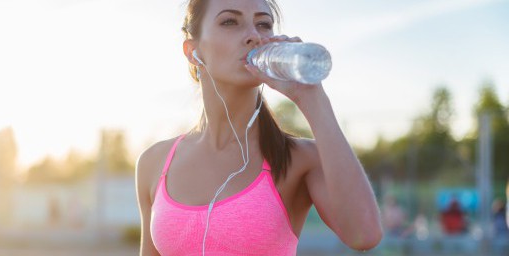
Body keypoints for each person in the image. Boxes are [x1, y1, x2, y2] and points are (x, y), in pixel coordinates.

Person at [135, 0, 383, 255]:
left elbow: (364, 234)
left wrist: (312, 97)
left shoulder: (299, 159)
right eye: (230, 21)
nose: (253, 35)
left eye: (263, 24)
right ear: (192, 51)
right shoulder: (155, 162)